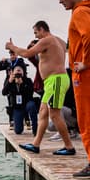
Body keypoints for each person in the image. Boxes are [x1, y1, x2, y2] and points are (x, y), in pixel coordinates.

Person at [6, 20, 75, 156]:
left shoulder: (47, 40)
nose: (36, 36)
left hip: (56, 80)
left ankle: (69, 147)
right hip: (53, 81)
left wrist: (12, 47)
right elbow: (67, 49)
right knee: (43, 112)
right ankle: (36, 145)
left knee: (54, 114)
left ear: (42, 29)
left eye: (36, 32)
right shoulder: (57, 40)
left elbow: (26, 54)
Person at [58, 0, 90, 177]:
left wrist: (86, 63)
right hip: (84, 74)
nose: (60, 1)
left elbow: (89, 36)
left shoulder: (80, 12)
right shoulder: (83, 11)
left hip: (84, 76)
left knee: (86, 121)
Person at [1, 65, 38, 135]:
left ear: (23, 73)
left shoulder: (28, 81)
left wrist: (22, 85)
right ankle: (19, 123)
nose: (18, 72)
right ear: (13, 73)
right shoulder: (10, 81)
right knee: (18, 131)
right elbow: (4, 93)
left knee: (32, 105)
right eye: (16, 71)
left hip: (27, 104)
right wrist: (9, 82)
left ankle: (35, 130)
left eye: (20, 70)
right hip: (17, 107)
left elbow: (30, 94)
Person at [0, 50, 28, 125]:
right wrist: (1, 61)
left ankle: (27, 119)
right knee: (10, 102)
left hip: (20, 84)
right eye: (10, 55)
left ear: (17, 54)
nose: (12, 56)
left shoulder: (20, 62)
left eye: (13, 54)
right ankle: (11, 120)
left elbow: (24, 72)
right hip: (10, 84)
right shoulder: (8, 63)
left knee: (24, 100)